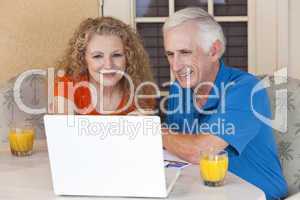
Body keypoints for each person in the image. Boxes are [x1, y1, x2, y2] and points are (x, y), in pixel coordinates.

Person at [161, 7, 287, 200]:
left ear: (214, 50)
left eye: (185, 52)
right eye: (170, 54)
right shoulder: (180, 89)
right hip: (205, 193)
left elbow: (199, 151)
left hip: (259, 195)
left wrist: (153, 131)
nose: (175, 66)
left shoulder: (247, 89)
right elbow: (175, 148)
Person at [51, 17, 155, 115]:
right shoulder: (68, 85)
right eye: (97, 56)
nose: (108, 65)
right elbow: (62, 130)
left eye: (116, 55)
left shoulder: (141, 91)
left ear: (128, 58)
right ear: (83, 59)